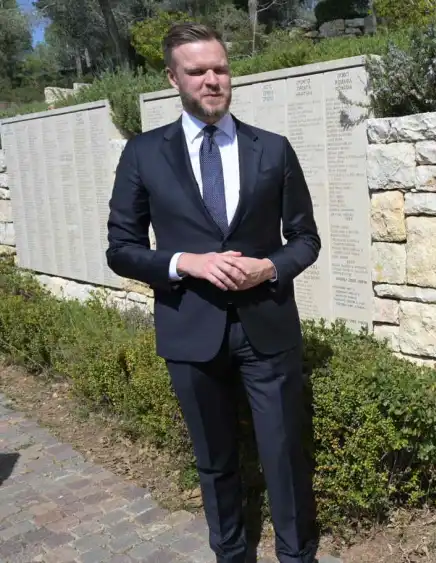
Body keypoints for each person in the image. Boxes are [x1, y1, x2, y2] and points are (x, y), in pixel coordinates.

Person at [105, 22, 322, 563]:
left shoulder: (272, 149)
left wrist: (268, 268)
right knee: (215, 458)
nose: (211, 80)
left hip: (266, 328)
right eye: (197, 71)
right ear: (172, 77)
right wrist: (186, 263)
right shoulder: (143, 154)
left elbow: (306, 239)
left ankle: (297, 556)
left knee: (284, 456)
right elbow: (121, 248)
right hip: (190, 330)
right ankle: (231, 554)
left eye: (220, 69)